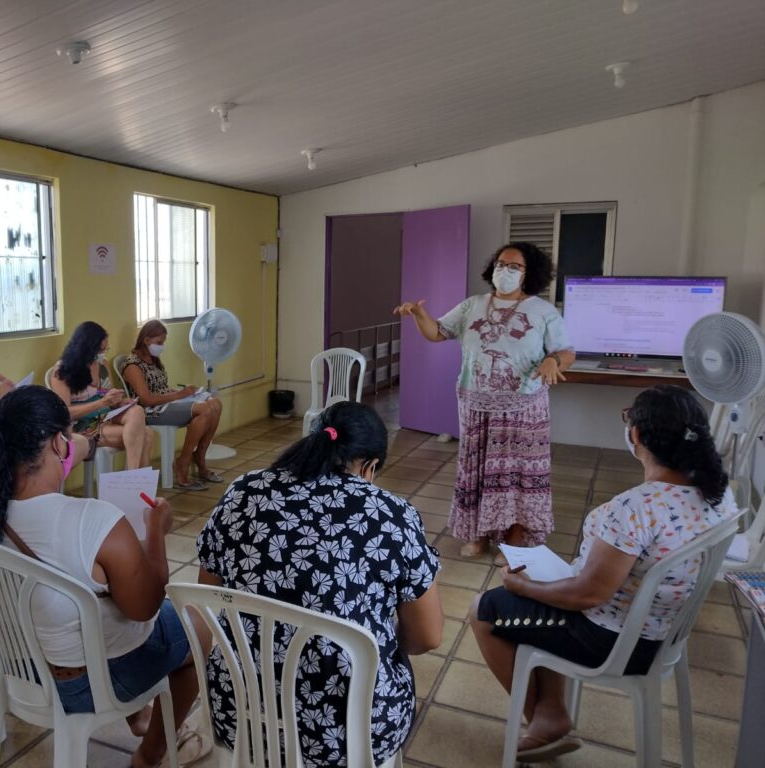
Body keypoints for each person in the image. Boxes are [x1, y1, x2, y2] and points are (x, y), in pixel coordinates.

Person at [468, 385, 738, 763]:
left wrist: (522, 586)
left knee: (484, 608)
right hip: (662, 633)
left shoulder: (634, 508)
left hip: (612, 642)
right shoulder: (719, 494)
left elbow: (586, 596)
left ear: (638, 436)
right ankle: (550, 710)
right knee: (541, 597)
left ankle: (545, 718)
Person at [0, 386, 210, 768]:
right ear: (58, 442)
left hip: (16, 666)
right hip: (83, 685)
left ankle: (139, 717)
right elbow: (145, 607)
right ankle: (150, 754)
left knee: (89, 611)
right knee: (199, 627)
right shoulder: (91, 519)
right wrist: (155, 532)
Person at [196, 401, 444, 767]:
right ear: (370, 467)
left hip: (241, 712)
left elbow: (209, 592)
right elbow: (427, 637)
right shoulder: (391, 514)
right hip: (348, 731)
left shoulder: (242, 492)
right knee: (390, 658)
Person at [394, 242, 575, 560]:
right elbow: (438, 332)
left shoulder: (543, 311)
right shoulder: (472, 305)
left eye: (515, 266)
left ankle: (515, 537)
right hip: (476, 405)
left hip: (524, 408)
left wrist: (553, 362)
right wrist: (419, 314)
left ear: (529, 273)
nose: (505, 270)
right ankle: (477, 534)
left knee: (517, 475)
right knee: (475, 470)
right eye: (501, 263)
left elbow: (566, 351)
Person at [122, 319, 224, 490]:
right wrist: (179, 395)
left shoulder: (153, 359)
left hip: (166, 403)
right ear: (146, 340)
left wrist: (185, 393)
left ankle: (199, 456)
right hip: (149, 411)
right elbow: (146, 399)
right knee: (205, 409)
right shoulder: (132, 364)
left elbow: (161, 388)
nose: (162, 346)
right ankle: (183, 462)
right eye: (159, 342)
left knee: (215, 404)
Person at [49, 321, 153, 471]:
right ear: (85, 349)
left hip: (105, 416)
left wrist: (118, 401)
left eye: (105, 349)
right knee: (146, 435)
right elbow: (64, 413)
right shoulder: (63, 372)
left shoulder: (102, 364)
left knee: (137, 411)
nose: (103, 354)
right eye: (99, 350)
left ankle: (133, 481)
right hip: (83, 426)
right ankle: (134, 483)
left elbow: (105, 393)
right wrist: (102, 403)